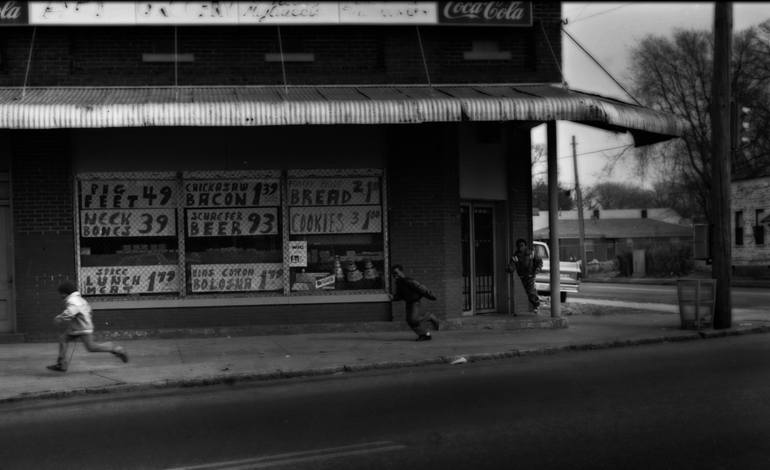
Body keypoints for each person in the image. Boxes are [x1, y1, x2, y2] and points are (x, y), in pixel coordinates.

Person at [47, 281, 129, 372]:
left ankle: (116, 349)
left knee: (91, 347)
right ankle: (61, 364)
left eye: (61, 294)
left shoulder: (72, 300)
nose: (60, 296)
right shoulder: (80, 299)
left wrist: (60, 318)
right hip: (81, 326)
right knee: (64, 339)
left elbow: (72, 311)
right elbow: (89, 310)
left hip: (81, 327)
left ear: (65, 293)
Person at [390, 265, 440, 341]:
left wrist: (431, 296)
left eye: (396, 273)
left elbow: (421, 288)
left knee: (413, 319)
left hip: (415, 302)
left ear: (401, 272)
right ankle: (425, 335)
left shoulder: (409, 281)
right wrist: (393, 298)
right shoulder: (399, 284)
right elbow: (400, 296)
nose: (395, 275)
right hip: (409, 302)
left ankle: (430, 316)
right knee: (411, 321)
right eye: (393, 274)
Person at [506, 238, 543, 314]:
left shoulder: (531, 253)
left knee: (530, 291)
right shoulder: (515, 256)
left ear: (525, 246)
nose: (520, 247)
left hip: (530, 275)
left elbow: (539, 262)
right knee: (525, 292)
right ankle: (533, 305)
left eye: (522, 245)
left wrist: (537, 269)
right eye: (519, 246)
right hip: (521, 277)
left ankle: (536, 304)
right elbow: (512, 265)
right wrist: (509, 269)